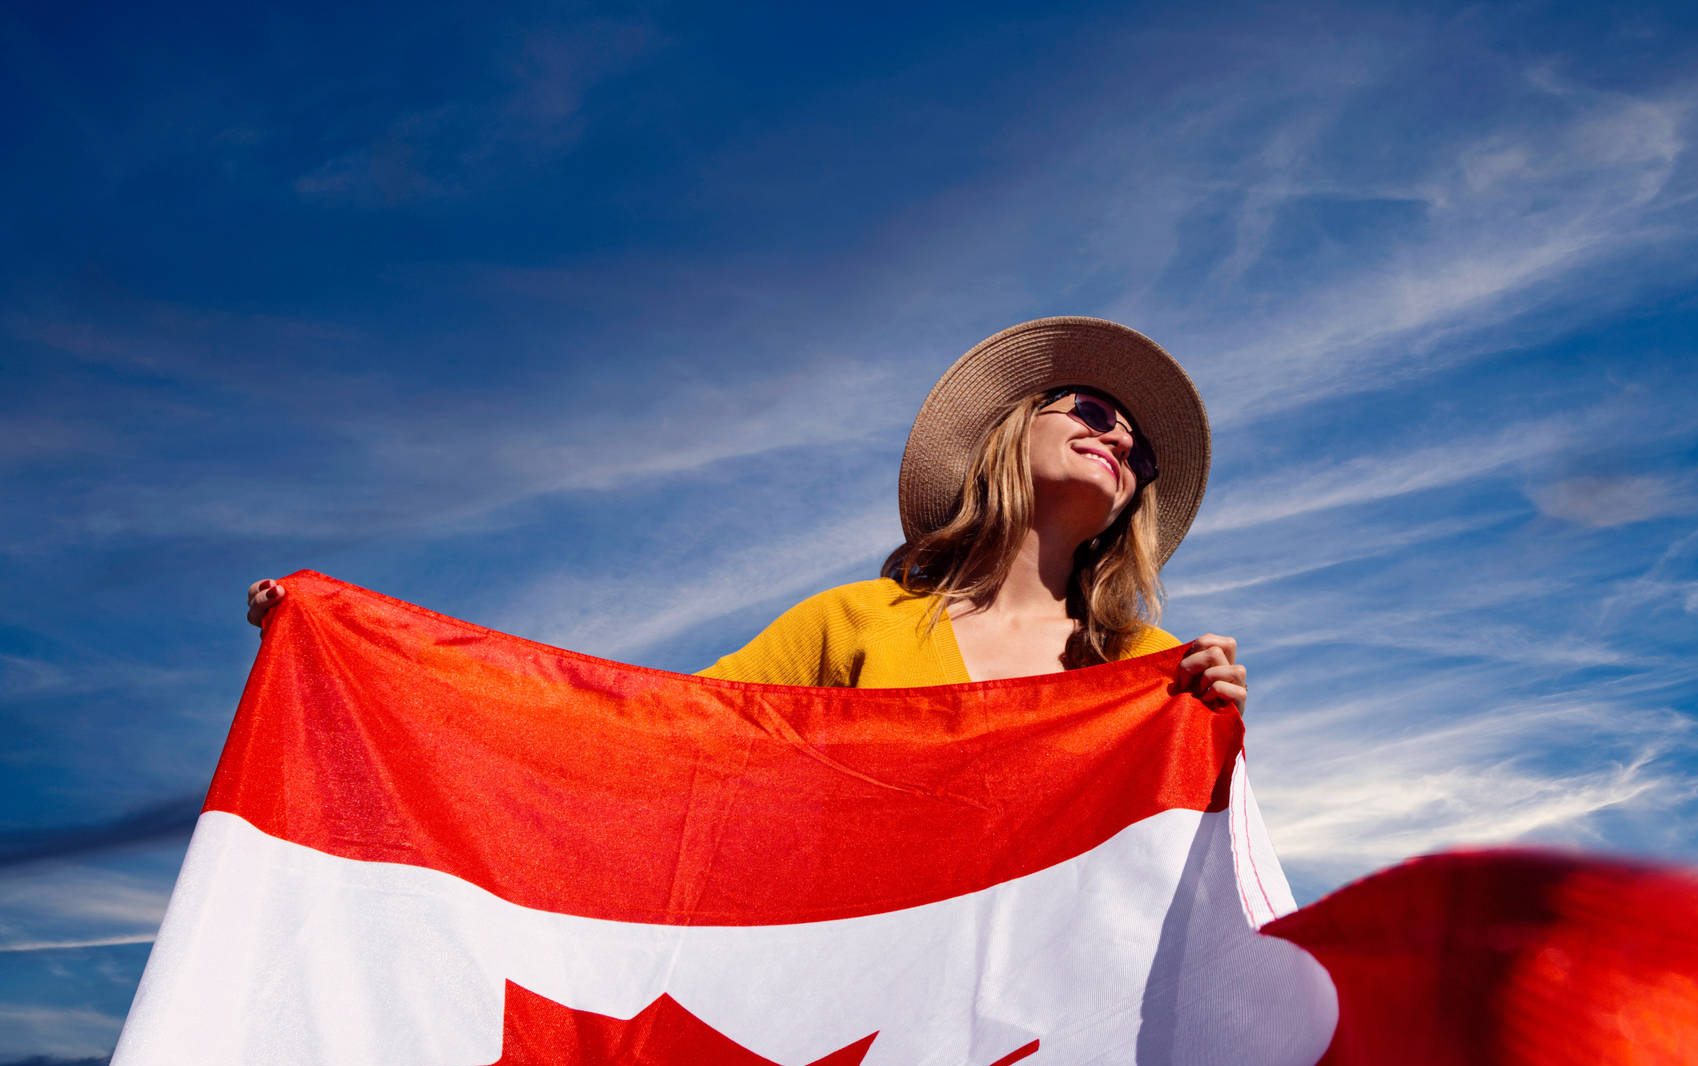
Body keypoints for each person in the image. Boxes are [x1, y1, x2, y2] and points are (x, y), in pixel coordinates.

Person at [249, 317, 1245, 708]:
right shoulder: (856, 625)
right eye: (1098, 413)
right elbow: (656, 725)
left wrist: (1213, 730)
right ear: (1007, 431)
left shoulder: (1144, 663)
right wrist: (363, 647)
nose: (1121, 441)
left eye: (1141, 451)